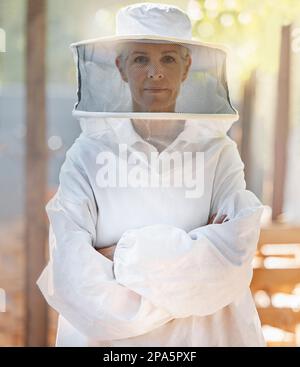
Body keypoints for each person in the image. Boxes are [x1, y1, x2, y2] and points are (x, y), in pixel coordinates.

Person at [37, 3, 266, 347]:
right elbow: (74, 274)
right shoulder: (87, 155)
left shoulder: (219, 153)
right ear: (121, 67)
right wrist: (190, 265)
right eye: (141, 58)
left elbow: (232, 257)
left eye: (169, 59)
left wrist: (119, 253)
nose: (155, 72)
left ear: (187, 67)